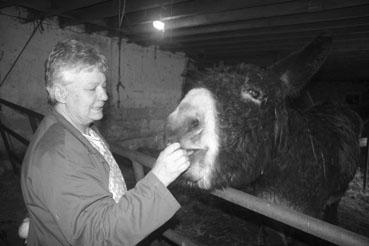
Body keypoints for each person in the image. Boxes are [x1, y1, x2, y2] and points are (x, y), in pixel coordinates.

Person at [20, 39, 191, 245]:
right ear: (61, 93)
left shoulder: (83, 130)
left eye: (103, 86)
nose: (105, 95)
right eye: (92, 88)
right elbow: (99, 237)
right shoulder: (61, 152)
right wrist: (160, 177)